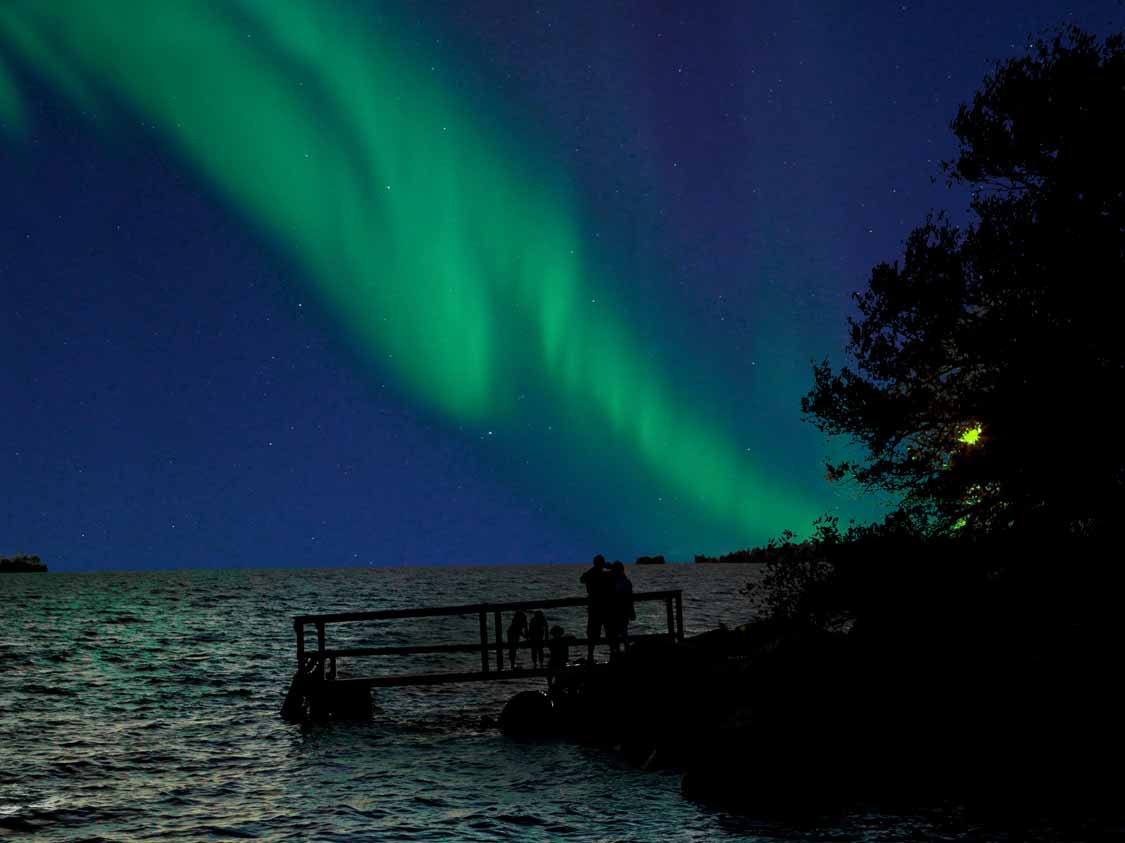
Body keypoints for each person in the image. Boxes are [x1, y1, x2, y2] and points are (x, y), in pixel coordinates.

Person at [579, 554, 613, 662]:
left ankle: (590, 655)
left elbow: (582, 579)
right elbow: (618, 574)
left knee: (592, 634)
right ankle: (612, 652)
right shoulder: (605, 575)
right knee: (608, 632)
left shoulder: (590, 574)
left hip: (594, 607)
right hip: (604, 607)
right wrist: (610, 567)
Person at [610, 561, 635, 656]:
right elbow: (630, 598)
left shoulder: (624, 582)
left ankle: (622, 653)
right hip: (615, 611)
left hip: (621, 611)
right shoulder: (615, 582)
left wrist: (631, 611)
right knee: (617, 635)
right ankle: (617, 653)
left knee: (622, 634)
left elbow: (630, 598)